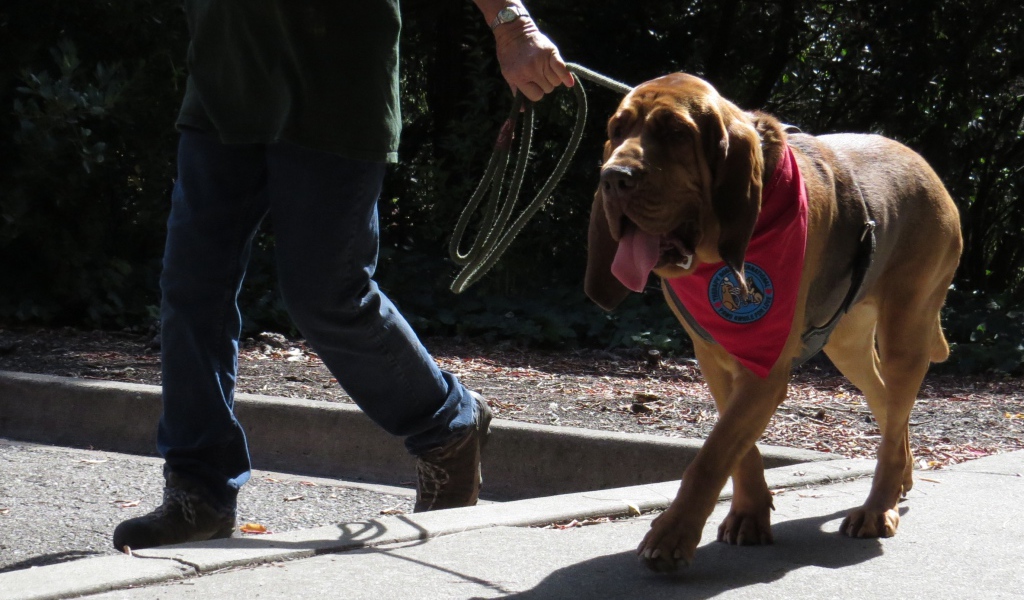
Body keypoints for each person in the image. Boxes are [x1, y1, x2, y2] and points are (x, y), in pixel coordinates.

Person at [113, 0, 574, 550]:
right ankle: (199, 491)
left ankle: (447, 425)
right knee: (190, 289)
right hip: (224, 78)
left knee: (327, 294)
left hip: (336, 85)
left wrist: (511, 23)